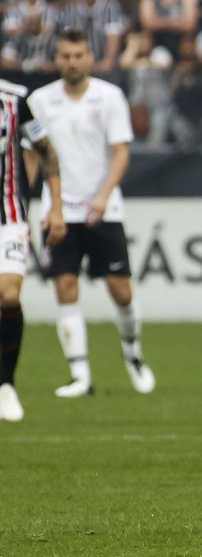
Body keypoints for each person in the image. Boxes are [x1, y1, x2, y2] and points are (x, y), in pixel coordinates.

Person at [26, 28, 155, 398]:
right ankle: (80, 375)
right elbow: (32, 154)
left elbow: (121, 153)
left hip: (103, 208)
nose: (72, 62)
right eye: (65, 56)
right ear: (57, 59)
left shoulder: (110, 97)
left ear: (89, 58)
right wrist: (30, 204)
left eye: (78, 55)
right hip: (58, 211)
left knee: (122, 292)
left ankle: (132, 352)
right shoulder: (40, 101)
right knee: (65, 287)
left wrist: (102, 197)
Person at [0, 78, 66, 421]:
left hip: (8, 216)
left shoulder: (15, 97)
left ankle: (6, 384)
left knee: (8, 295)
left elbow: (46, 149)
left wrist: (55, 207)